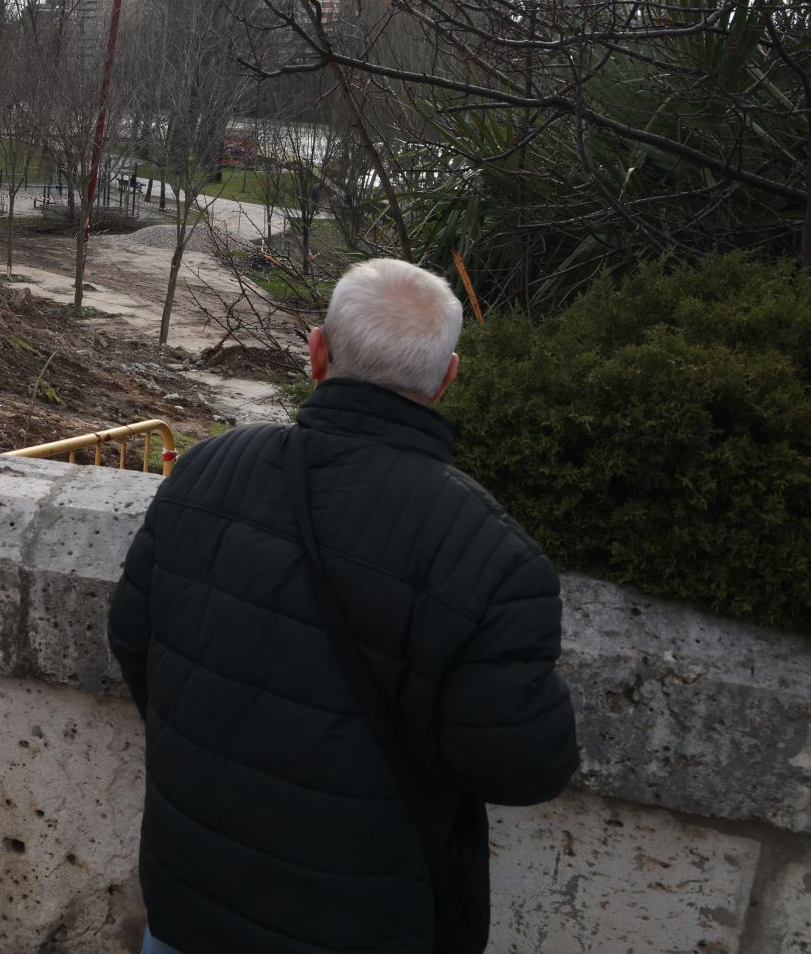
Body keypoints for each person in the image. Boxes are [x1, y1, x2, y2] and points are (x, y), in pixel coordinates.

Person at [109, 258, 579, 954]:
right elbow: (523, 765)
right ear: (446, 380)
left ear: (317, 350)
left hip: (192, 902)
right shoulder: (492, 555)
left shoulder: (209, 467)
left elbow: (132, 636)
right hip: (362, 922)